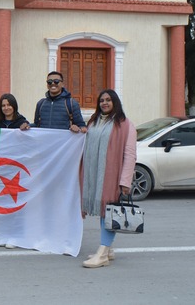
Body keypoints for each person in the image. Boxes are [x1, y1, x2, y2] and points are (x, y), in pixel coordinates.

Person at [81, 89, 137, 268]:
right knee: (104, 210)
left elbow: (130, 155)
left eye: (108, 100)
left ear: (115, 102)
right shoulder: (93, 122)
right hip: (95, 175)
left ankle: (103, 253)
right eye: (102, 100)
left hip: (112, 176)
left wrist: (125, 181)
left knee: (108, 211)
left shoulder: (125, 125)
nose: (104, 103)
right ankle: (109, 249)